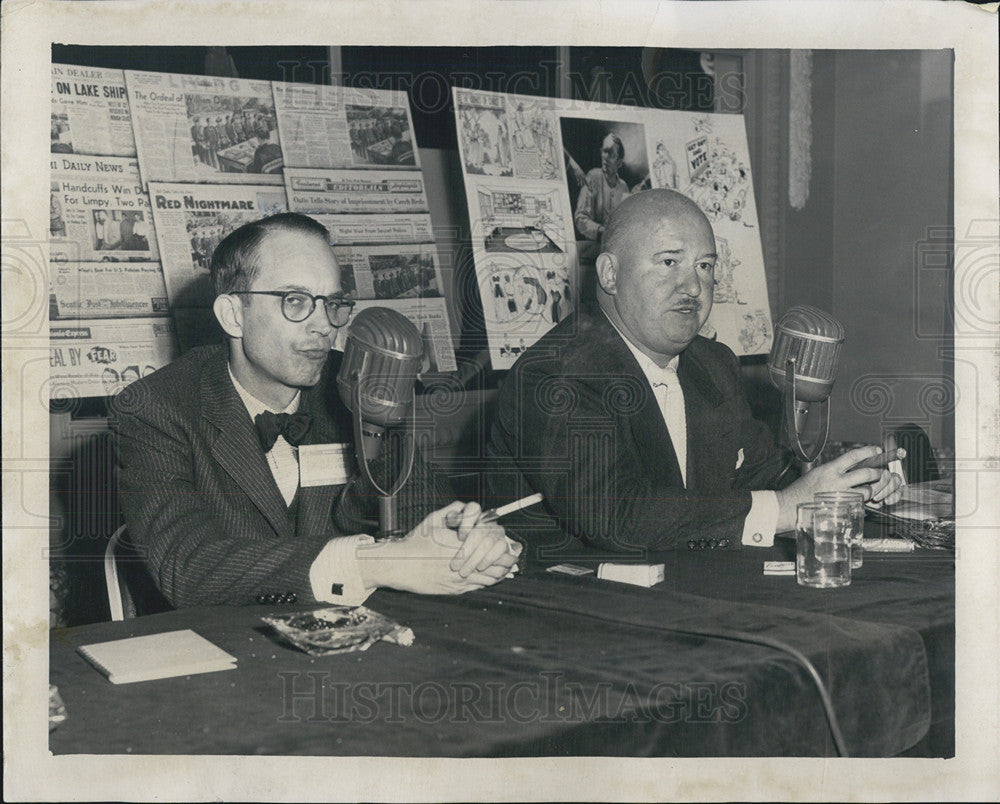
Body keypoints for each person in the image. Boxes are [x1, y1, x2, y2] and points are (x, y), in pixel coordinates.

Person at [112, 212, 519, 608]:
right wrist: (374, 564)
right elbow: (189, 569)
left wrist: (471, 541)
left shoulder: (361, 381)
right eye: (296, 301)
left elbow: (422, 507)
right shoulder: (155, 408)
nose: (325, 325)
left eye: (332, 303)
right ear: (233, 315)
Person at [488, 189, 902, 557]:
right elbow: (617, 518)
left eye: (705, 266)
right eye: (669, 262)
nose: (692, 287)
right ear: (610, 274)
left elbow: (767, 477)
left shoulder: (712, 363)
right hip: (570, 614)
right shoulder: (555, 375)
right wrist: (789, 507)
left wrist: (847, 487)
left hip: (691, 593)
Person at [573, 132, 632, 241]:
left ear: (619, 163)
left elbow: (626, 221)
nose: (605, 157)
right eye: (604, 151)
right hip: (592, 247)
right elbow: (580, 219)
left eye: (610, 153)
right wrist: (600, 231)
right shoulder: (592, 177)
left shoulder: (624, 187)